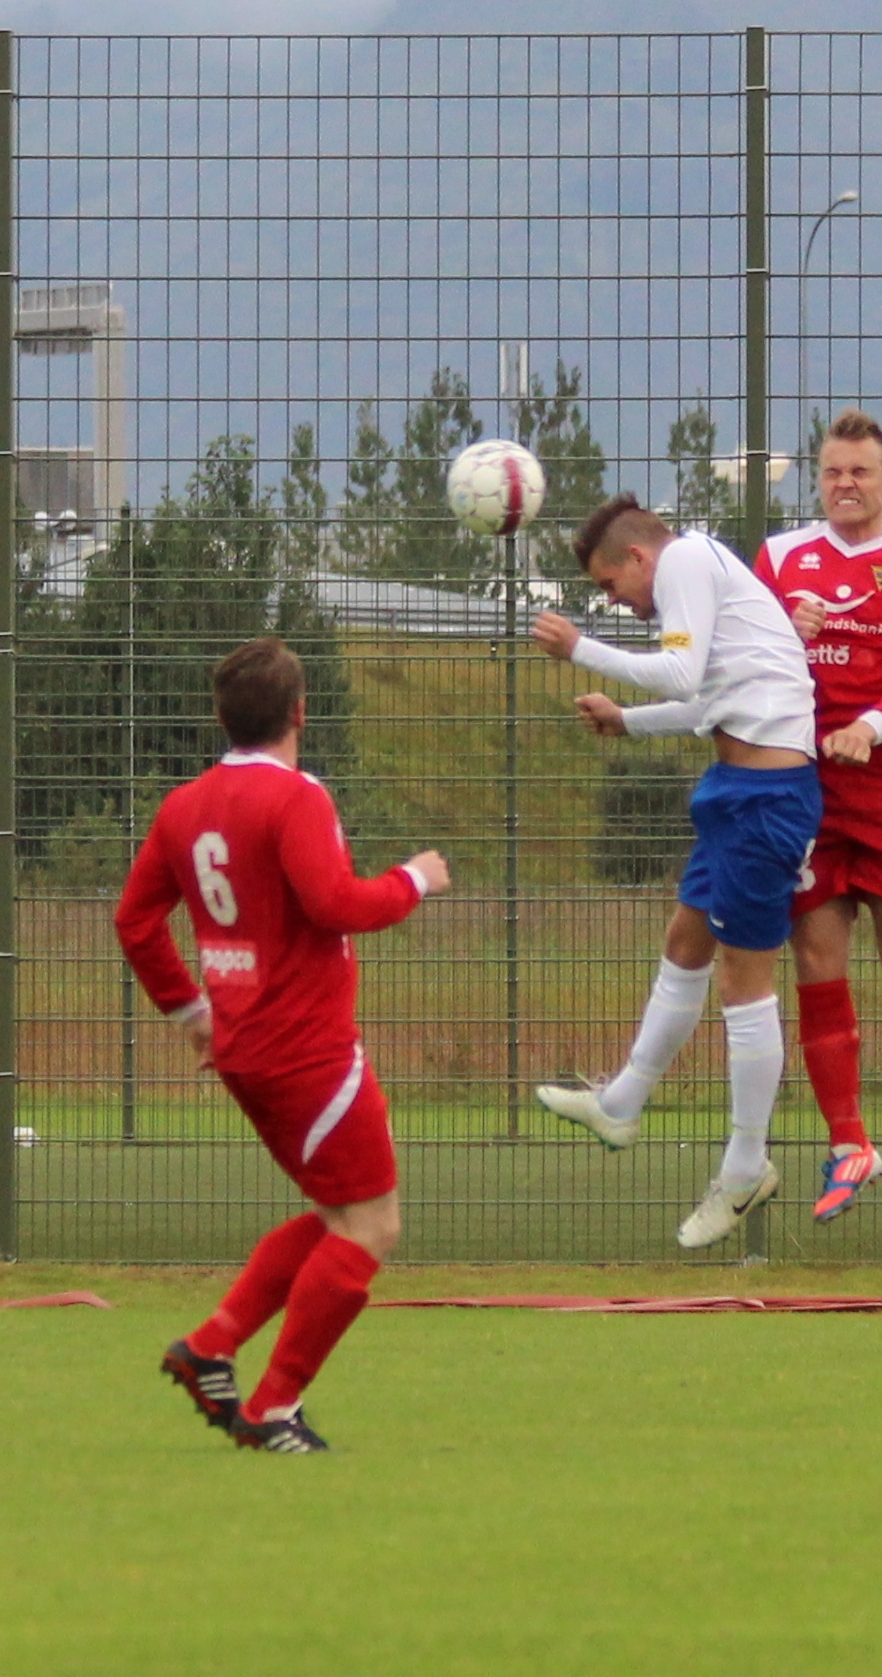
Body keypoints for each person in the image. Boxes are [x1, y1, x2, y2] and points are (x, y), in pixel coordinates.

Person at [116, 638, 451, 1454]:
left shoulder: (185, 805)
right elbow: (335, 904)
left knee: (339, 1214)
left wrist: (192, 1011)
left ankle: (211, 1345)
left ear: (223, 717)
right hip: (310, 1051)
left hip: (243, 1049)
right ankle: (272, 1407)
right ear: (301, 711)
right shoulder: (297, 798)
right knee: (370, 1225)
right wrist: (414, 878)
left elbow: (134, 920)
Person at [530, 496, 820, 1250]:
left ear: (638, 557)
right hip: (735, 789)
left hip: (768, 798)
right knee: (686, 941)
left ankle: (745, 1167)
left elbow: (684, 678)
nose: (614, 601)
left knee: (743, 983)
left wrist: (581, 648)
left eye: (609, 584)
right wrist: (626, 720)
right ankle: (621, 1102)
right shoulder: (706, 572)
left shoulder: (687, 558)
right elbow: (708, 704)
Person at [757, 413, 882, 1222]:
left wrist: (867, 728)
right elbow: (742, 659)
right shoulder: (779, 559)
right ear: (819, 479)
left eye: (861, 472)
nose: (846, 484)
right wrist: (787, 630)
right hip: (804, 784)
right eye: (834, 471)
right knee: (816, 958)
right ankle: (849, 1146)